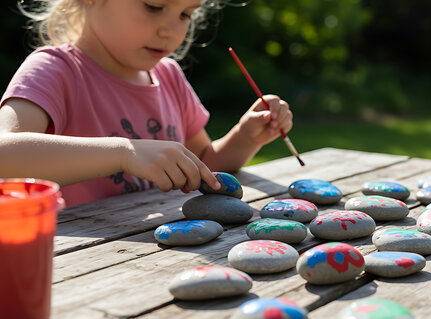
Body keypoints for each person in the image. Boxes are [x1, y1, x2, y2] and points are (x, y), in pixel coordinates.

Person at [0, 0, 293, 207]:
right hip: (88, 266)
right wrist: (123, 153)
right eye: (154, 7)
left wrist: (245, 138)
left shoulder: (169, 76)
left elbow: (204, 164)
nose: (171, 31)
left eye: (185, 14)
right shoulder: (55, 71)